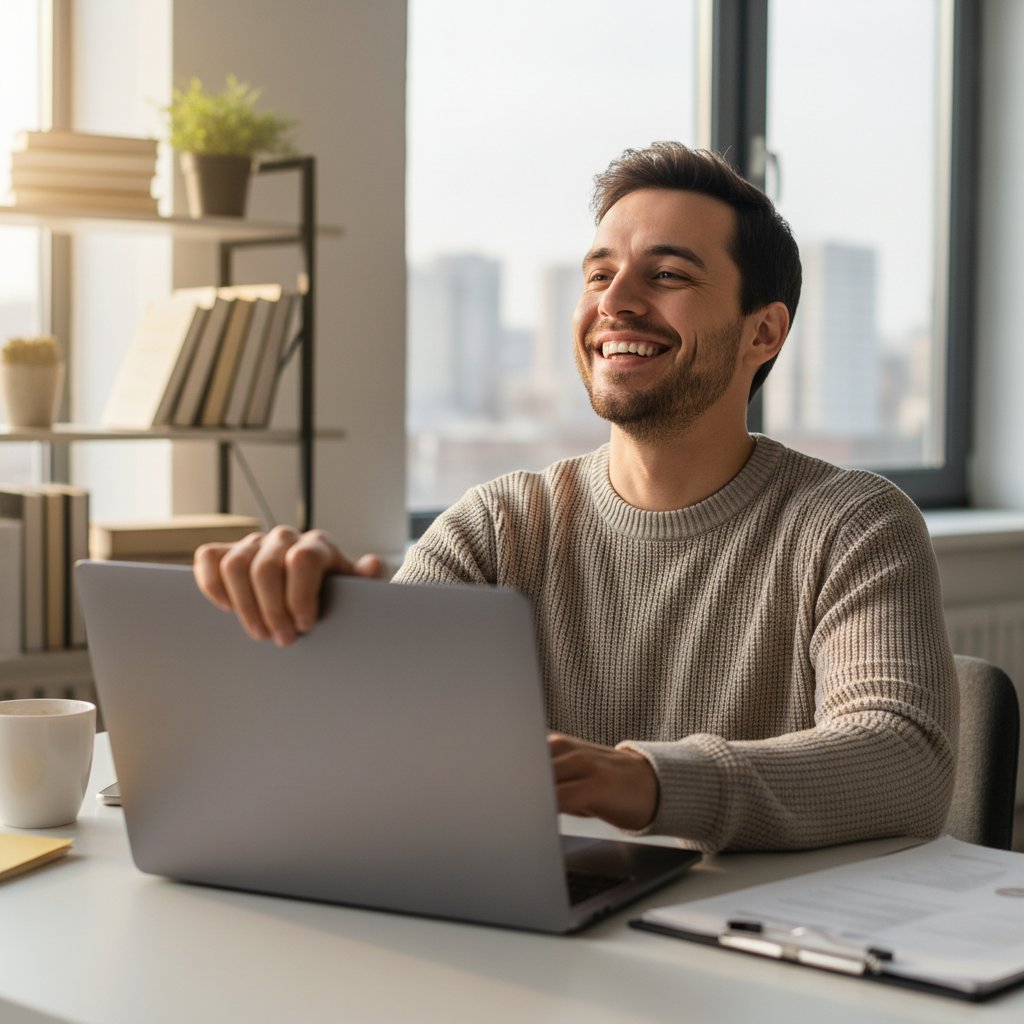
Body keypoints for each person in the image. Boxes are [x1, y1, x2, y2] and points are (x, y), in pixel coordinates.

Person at [195, 142, 957, 853]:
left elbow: (904, 757)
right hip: (537, 944)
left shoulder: (854, 524)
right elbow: (371, 739)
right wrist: (323, 629)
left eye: (668, 275)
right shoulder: (498, 526)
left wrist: (651, 782)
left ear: (763, 333)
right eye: (598, 274)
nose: (615, 302)